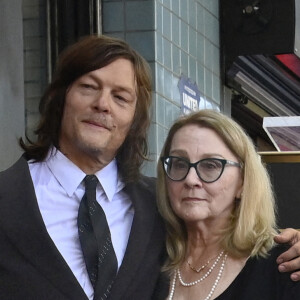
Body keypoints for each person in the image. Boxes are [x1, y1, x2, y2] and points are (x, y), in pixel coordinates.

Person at [0, 35, 299, 300]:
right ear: (60, 97)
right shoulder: (8, 199)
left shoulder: (157, 207)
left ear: (135, 118)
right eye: (89, 87)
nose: (103, 104)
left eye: (120, 97)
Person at [157, 109, 300, 300]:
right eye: (179, 164)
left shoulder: (285, 265)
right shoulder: (147, 254)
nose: (191, 179)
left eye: (210, 166)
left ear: (242, 181)